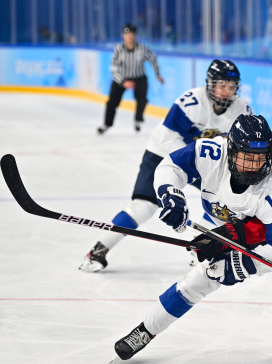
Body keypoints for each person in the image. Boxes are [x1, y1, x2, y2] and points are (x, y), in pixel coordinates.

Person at [113, 114, 272, 361]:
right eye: (247, 158)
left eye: (260, 158)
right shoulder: (210, 152)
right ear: (231, 150)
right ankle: (146, 330)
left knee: (202, 280)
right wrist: (171, 194)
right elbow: (170, 166)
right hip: (217, 224)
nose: (254, 166)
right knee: (196, 281)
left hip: (255, 234)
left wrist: (243, 263)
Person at [80, 59, 252, 272]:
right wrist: (196, 165)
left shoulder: (242, 109)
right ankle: (99, 248)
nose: (227, 91)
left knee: (224, 204)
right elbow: (170, 139)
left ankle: (199, 249)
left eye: (232, 86)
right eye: (222, 85)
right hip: (163, 154)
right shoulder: (191, 102)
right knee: (143, 207)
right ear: (210, 83)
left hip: (205, 162)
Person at [97, 23, 164, 135]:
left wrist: (157, 74)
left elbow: (153, 59)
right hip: (122, 78)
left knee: (142, 98)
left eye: (132, 34)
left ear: (135, 35)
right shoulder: (118, 50)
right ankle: (106, 124)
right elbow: (113, 68)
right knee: (111, 102)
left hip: (139, 77)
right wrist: (123, 82)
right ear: (123, 35)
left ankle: (138, 119)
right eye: (127, 34)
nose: (129, 37)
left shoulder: (143, 49)